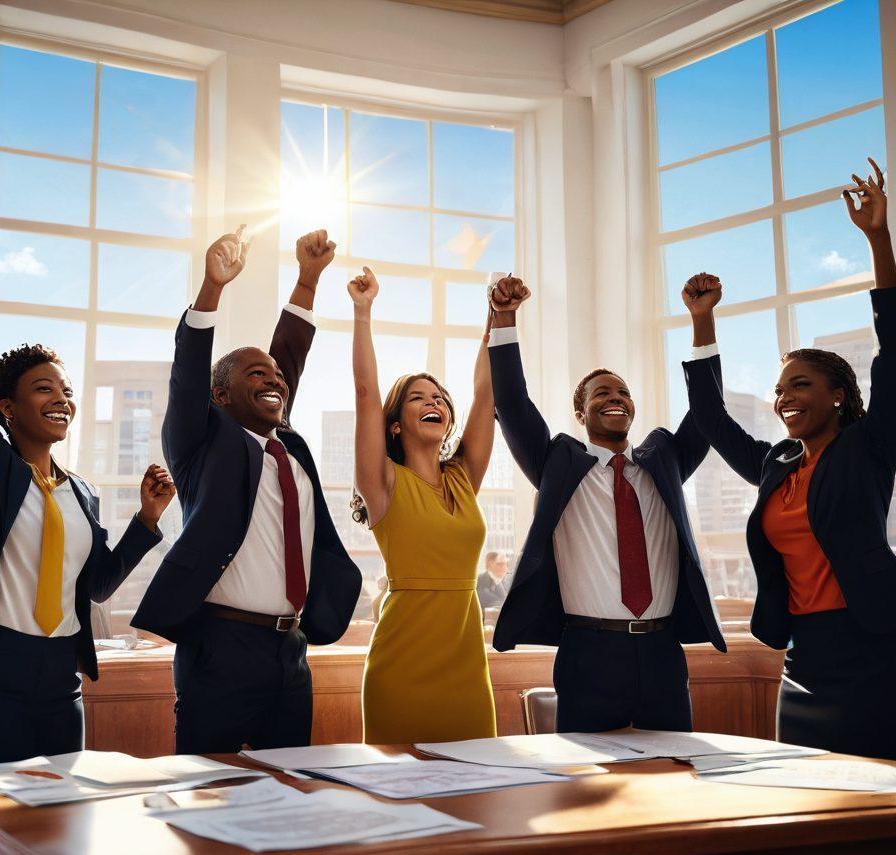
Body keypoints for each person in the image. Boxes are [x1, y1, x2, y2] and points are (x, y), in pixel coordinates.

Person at [0, 201, 173, 766]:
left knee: (55, 828)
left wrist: (146, 521)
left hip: (60, 682)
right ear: (9, 406)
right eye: (44, 388)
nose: (62, 399)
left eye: (65, 390)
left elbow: (96, 586)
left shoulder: (83, 495)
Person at [681, 158, 896, 761]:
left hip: (867, 649)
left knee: (869, 801)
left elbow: (894, 350)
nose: (784, 398)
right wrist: (703, 322)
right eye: (781, 388)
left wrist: (878, 239)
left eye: (801, 385)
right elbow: (711, 419)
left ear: (837, 395)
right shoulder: (777, 465)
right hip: (803, 654)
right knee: (802, 796)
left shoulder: (869, 448)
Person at [131, 229, 361, 754]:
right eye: (256, 375)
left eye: (277, 377)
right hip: (219, 649)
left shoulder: (290, 447)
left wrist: (307, 279)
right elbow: (187, 375)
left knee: (288, 795)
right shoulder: (201, 445)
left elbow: (289, 355)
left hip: (290, 650)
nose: (275, 380)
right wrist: (212, 287)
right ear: (221, 395)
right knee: (208, 798)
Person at [487, 277, 725, 735]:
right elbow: (513, 404)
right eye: (602, 394)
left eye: (622, 393)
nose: (615, 398)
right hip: (587, 653)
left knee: (674, 777)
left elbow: (707, 412)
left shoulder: (665, 460)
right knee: (586, 788)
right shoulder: (558, 462)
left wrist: (702, 320)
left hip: (662, 652)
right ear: (581, 414)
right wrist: (504, 319)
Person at [350, 266, 498, 744]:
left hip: (467, 670)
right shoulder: (383, 483)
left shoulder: (463, 477)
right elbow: (367, 395)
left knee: (478, 797)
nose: (433, 402)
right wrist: (363, 311)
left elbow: (487, 393)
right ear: (396, 424)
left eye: (438, 397)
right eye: (417, 398)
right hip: (401, 670)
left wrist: (497, 318)